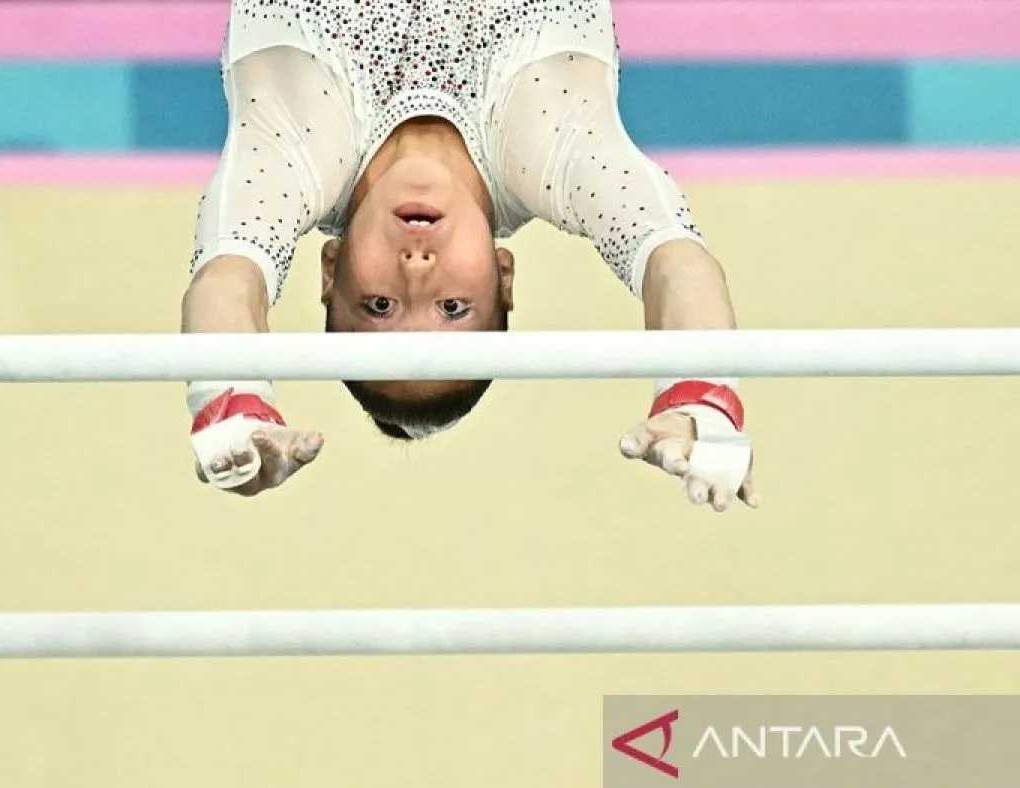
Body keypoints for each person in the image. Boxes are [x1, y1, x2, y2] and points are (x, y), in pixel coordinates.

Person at [181, 0, 760, 512]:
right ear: (504, 278)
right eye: (453, 307)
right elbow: (674, 263)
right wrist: (700, 393)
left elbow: (228, 283)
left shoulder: (288, 163)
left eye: (379, 305)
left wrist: (231, 403)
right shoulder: (559, 154)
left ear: (331, 271)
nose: (416, 273)